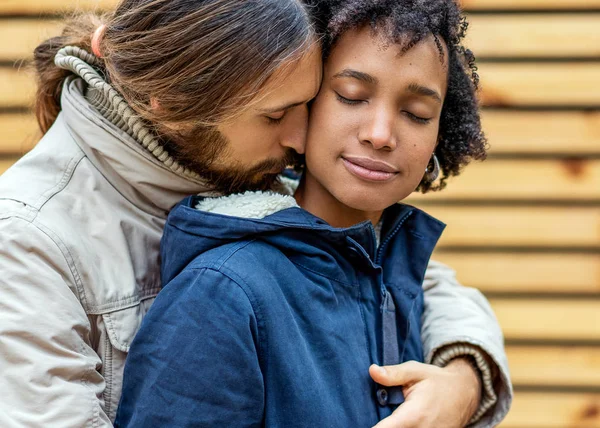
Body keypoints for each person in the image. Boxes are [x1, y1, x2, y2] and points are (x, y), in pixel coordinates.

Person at [0, 0, 510, 427]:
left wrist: (464, 378)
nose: (296, 138)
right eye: (275, 115)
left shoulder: (250, 169)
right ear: (172, 101)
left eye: (304, 106)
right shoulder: (27, 236)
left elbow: (403, 277)